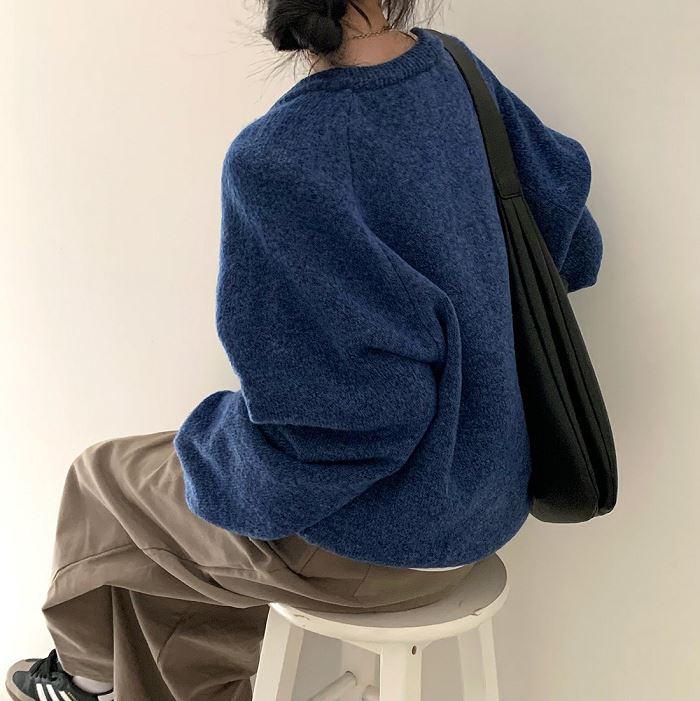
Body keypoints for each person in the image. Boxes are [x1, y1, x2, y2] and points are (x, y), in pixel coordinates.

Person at [5, 1, 604, 699]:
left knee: (102, 478)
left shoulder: (282, 155)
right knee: (174, 520)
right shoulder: (458, 71)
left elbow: (348, 431)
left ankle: (83, 681)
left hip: (384, 541)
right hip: (490, 495)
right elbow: (576, 247)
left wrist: (222, 459)